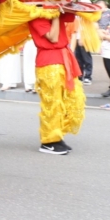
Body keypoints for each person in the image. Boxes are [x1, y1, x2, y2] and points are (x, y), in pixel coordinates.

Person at [29, 10, 85, 155]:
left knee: (68, 101)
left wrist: (63, 5)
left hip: (63, 59)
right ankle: (48, 142)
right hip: (49, 62)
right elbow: (53, 37)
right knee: (52, 104)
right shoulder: (36, 16)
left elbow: (71, 16)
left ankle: (57, 136)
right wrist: (54, 13)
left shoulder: (53, 12)